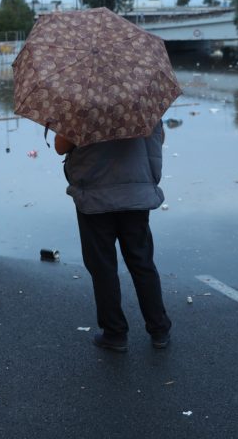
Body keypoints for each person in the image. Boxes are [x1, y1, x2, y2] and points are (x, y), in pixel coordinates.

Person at [55, 122, 172, 352]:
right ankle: (159, 329)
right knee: (141, 262)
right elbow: (159, 138)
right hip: (136, 194)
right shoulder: (139, 101)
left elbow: (61, 146)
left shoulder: (83, 105)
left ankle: (115, 333)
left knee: (103, 266)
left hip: (95, 197)